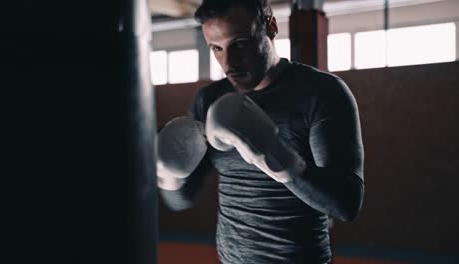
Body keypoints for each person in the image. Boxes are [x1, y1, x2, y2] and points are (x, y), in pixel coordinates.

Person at [156, 0, 365, 263]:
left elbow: (345, 203)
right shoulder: (209, 99)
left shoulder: (321, 93)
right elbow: (181, 201)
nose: (229, 62)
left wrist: (273, 153)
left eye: (240, 44)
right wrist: (168, 174)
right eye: (217, 49)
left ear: (271, 26)